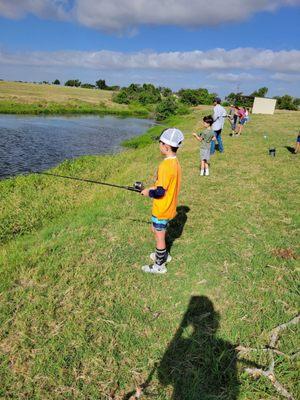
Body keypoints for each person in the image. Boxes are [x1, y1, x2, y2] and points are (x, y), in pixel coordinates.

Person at [140, 128, 184, 274]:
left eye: (160, 143)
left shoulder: (165, 166)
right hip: (169, 206)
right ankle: (163, 254)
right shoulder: (175, 163)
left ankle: (159, 265)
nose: (159, 146)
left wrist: (148, 192)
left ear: (165, 146)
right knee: (156, 229)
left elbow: (159, 192)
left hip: (162, 208)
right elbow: (164, 186)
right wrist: (153, 187)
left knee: (159, 235)